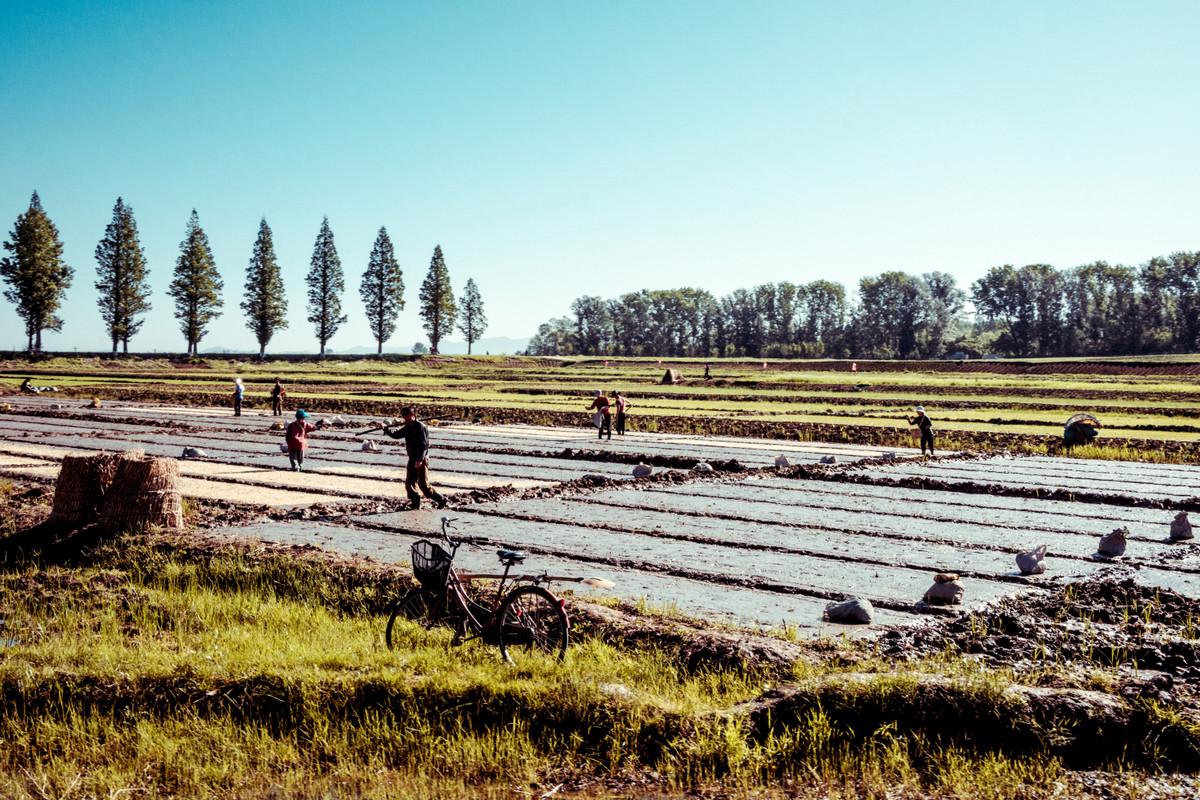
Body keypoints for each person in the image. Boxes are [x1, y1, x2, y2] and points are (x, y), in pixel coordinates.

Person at [384, 406, 447, 510]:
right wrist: (386, 429)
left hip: (421, 458)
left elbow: (424, 445)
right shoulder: (408, 426)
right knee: (410, 482)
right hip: (412, 458)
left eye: (408, 415)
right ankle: (415, 503)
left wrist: (419, 460)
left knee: (423, 485)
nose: (406, 418)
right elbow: (397, 435)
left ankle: (441, 499)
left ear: (413, 415)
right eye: (404, 416)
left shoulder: (420, 427)